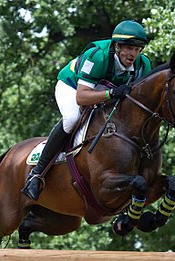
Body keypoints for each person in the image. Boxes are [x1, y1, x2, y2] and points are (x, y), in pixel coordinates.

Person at [22, 20, 151, 201]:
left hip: (101, 92)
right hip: (73, 87)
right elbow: (82, 97)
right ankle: (36, 174)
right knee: (72, 118)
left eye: (138, 49)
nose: (133, 54)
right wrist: (112, 92)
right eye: (129, 48)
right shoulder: (97, 56)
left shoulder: (143, 65)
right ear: (117, 45)